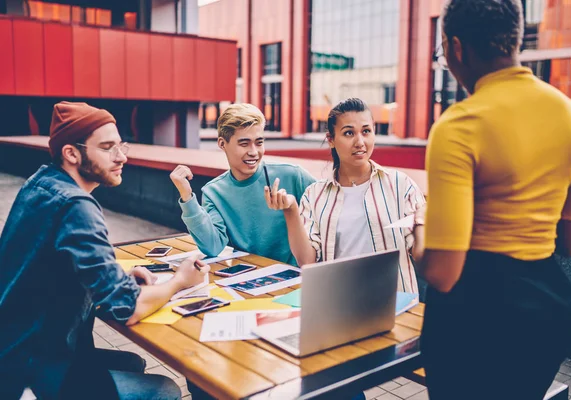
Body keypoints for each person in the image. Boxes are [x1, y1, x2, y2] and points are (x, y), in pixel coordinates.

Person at [420, 1, 571, 399]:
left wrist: (419, 240)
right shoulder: (569, 114)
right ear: (514, 40)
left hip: (474, 320)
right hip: (547, 315)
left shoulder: (459, 126)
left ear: (456, 47)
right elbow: (568, 243)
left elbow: (443, 272)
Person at [0, 102, 210, 400]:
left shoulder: (41, 183)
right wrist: (180, 280)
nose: (122, 156)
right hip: (31, 373)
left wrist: (120, 274)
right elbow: (127, 309)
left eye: (121, 145)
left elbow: (57, 263)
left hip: (15, 349)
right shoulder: (76, 206)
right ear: (71, 153)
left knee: (134, 361)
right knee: (164, 390)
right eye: (108, 147)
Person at [265, 98, 426, 294]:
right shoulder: (314, 195)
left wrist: (423, 220)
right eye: (349, 133)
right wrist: (291, 210)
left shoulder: (401, 185)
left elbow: (421, 255)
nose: (360, 142)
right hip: (338, 303)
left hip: (395, 302)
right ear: (331, 139)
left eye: (366, 131)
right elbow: (307, 261)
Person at [170, 103, 315, 265]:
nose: (253, 152)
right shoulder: (214, 192)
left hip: (297, 277)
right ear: (222, 144)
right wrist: (187, 197)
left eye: (259, 143)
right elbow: (212, 247)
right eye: (244, 143)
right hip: (248, 280)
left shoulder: (293, 175)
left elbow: (329, 214)